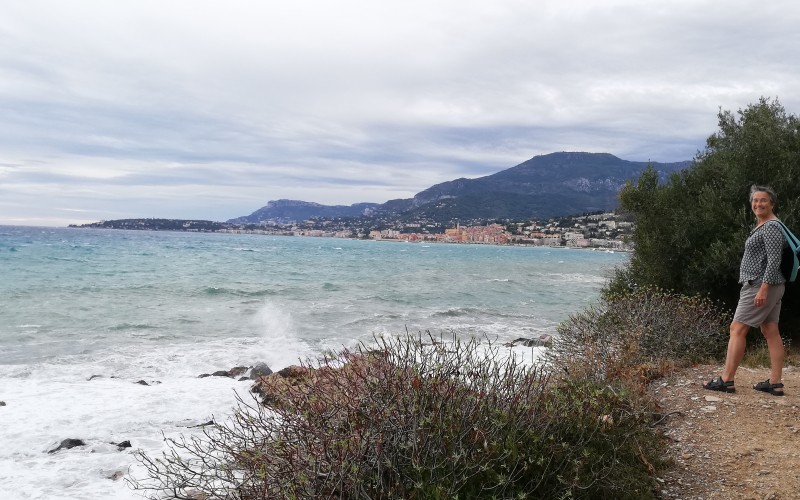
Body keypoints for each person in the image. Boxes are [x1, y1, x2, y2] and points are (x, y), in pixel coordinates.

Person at [704, 185, 786, 396]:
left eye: (763, 200)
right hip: (768, 285)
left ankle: (726, 380)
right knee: (770, 330)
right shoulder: (765, 226)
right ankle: (775, 383)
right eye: (755, 200)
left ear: (772, 203)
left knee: (737, 329)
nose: (758, 204)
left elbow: (774, 260)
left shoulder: (771, 227)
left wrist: (763, 289)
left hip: (760, 285)